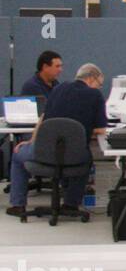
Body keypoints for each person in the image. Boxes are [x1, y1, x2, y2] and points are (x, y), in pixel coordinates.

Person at [7, 63, 108, 219]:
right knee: (86, 157)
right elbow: (101, 130)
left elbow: (43, 119)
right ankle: (71, 204)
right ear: (91, 78)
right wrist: (82, 131)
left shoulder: (58, 89)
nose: (98, 88)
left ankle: (18, 205)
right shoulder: (95, 95)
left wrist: (31, 141)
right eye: (99, 84)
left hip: (43, 152)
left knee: (17, 155)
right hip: (75, 156)